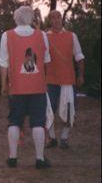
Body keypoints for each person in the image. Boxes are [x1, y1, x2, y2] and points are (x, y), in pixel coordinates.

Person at [0, 6, 51, 169]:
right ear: (31, 19)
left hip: (17, 88)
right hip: (37, 87)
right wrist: (43, 80)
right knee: (38, 123)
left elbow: (3, 64)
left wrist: (4, 85)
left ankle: (12, 158)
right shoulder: (42, 35)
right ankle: (39, 159)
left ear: (16, 18)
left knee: (14, 121)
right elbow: (46, 61)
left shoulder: (7, 36)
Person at [45, 10, 85, 150]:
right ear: (50, 20)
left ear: (62, 19)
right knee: (49, 110)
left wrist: (80, 75)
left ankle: (64, 137)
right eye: (53, 18)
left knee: (69, 110)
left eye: (58, 17)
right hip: (50, 80)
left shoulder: (71, 36)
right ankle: (52, 138)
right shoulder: (44, 36)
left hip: (68, 79)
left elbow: (79, 57)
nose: (56, 20)